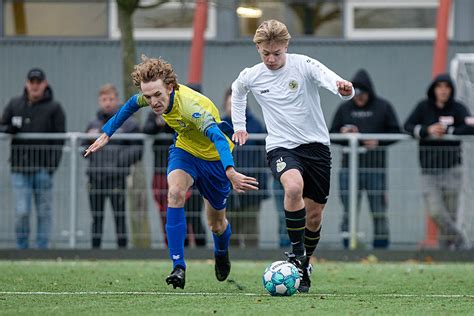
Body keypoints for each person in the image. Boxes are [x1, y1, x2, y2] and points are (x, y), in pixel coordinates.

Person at [85, 55, 258, 289]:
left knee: (216, 224)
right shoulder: (151, 96)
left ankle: (221, 251)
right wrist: (107, 133)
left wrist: (230, 170)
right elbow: (131, 105)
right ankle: (178, 266)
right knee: (174, 193)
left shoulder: (190, 107)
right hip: (184, 151)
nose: (153, 102)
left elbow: (217, 136)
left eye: (157, 95)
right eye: (149, 96)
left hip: (215, 159)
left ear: (170, 86)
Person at [231, 20, 354, 292]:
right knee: (293, 186)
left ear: (286, 46)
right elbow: (237, 92)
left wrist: (342, 87)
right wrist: (239, 125)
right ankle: (297, 253)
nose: (271, 59)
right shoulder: (252, 75)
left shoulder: (303, 64)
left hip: (317, 147)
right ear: (258, 49)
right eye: (266, 54)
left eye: (277, 53)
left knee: (314, 216)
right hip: (281, 147)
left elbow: (328, 77)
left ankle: (305, 262)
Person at [329, 69, 401, 249]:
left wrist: (378, 141)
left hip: (375, 169)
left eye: (363, 94)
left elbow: (397, 131)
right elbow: (331, 133)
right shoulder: (344, 108)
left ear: (370, 92)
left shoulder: (383, 107)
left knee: (378, 210)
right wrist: (343, 134)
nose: (359, 98)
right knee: (349, 210)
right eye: (357, 94)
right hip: (348, 169)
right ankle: (348, 246)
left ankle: (381, 246)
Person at [404, 73, 473, 250]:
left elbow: (469, 125)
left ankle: (445, 256)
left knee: (450, 215)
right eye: (439, 87)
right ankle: (461, 241)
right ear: (433, 89)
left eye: (447, 87)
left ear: (451, 90)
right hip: (429, 171)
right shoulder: (423, 107)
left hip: (452, 170)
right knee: (436, 212)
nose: (443, 91)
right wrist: (428, 130)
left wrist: (449, 130)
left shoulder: (457, 108)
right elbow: (407, 126)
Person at [0, 68, 65, 249]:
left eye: (38, 82)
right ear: (26, 84)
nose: (35, 86)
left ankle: (42, 250)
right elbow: (2, 125)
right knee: (22, 211)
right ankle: (22, 249)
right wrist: (9, 130)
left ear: (45, 84)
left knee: (44, 212)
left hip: (43, 170)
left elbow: (60, 139)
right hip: (19, 169)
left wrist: (51, 167)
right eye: (32, 82)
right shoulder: (14, 104)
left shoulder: (55, 108)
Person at [83, 83, 142, 249]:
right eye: (104, 99)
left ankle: (122, 251)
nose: (107, 102)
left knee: (119, 216)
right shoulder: (92, 125)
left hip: (117, 178)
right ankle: (95, 251)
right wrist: (88, 140)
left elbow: (138, 148)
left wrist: (120, 162)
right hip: (95, 177)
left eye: (111, 99)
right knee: (96, 217)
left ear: (117, 100)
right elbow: (82, 149)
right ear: (99, 101)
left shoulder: (129, 124)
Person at [143, 111, 207, 247]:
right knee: (168, 212)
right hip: (162, 169)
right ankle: (175, 248)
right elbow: (147, 129)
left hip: (185, 168)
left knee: (191, 212)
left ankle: (200, 248)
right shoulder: (155, 111)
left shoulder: (183, 109)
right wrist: (158, 123)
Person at [220, 87, 269, 248]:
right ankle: (230, 258)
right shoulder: (220, 126)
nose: (232, 108)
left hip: (251, 184)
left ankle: (253, 258)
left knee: (250, 226)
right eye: (229, 104)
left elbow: (263, 155)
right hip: (226, 184)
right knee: (229, 225)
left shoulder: (255, 125)